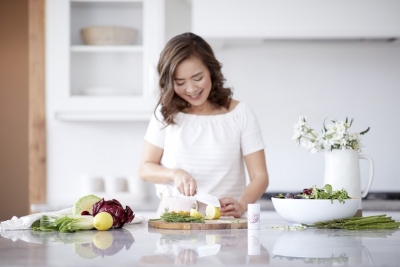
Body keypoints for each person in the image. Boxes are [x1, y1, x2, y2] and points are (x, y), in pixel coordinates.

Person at [138, 32, 269, 218]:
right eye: (180, 82)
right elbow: (145, 169)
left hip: (225, 221)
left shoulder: (240, 113)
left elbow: (260, 176)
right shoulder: (164, 113)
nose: (191, 89)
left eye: (198, 78)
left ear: (211, 71)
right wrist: (175, 174)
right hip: (175, 222)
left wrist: (242, 204)